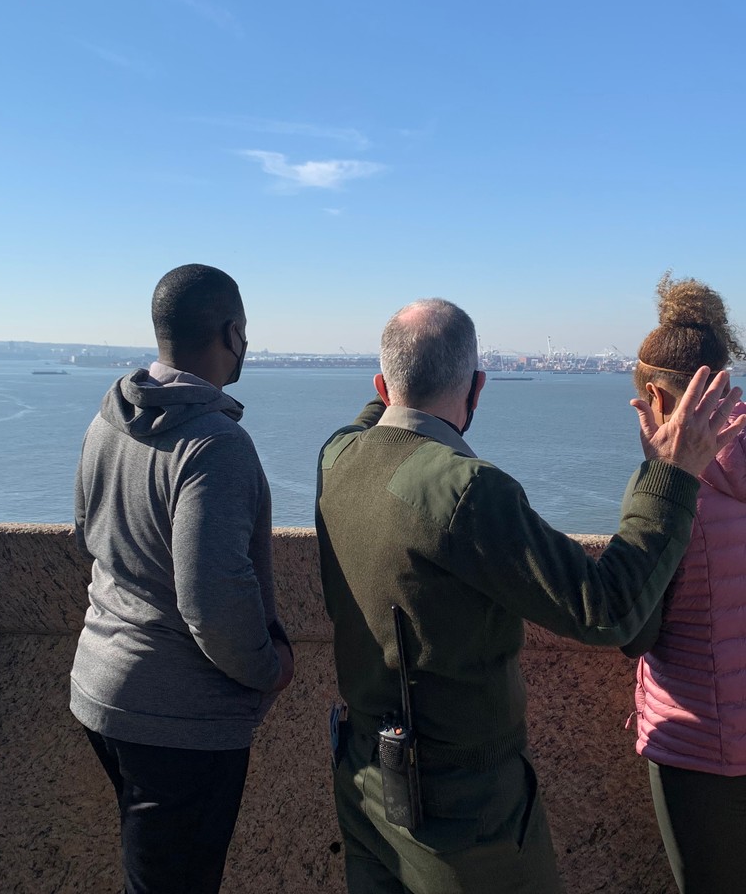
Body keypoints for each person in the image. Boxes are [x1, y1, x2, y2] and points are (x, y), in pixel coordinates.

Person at [315, 297, 745, 894]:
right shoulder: (467, 489)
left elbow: (374, 417)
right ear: (478, 387)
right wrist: (670, 476)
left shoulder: (337, 455)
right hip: (464, 809)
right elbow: (608, 611)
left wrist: (398, 388)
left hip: (364, 777)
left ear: (382, 387)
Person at [69, 263, 295, 894]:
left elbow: (84, 533)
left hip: (101, 684)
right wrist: (270, 668)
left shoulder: (107, 419)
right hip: (181, 715)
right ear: (232, 333)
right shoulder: (215, 444)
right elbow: (211, 600)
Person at [622, 275, 746, 894]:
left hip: (699, 744)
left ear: (654, 395)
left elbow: (631, 625)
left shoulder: (672, 494)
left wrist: (657, 483)